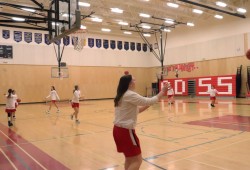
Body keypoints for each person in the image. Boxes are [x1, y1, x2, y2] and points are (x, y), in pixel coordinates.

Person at [113, 74, 167, 170]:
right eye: (133, 80)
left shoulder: (122, 94)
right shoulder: (130, 94)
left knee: (129, 159)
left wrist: (150, 102)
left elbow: (138, 110)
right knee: (137, 160)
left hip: (118, 130)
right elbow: (149, 100)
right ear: (129, 84)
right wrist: (162, 92)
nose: (135, 81)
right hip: (126, 132)